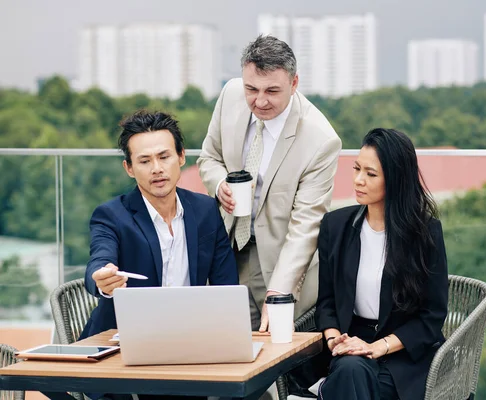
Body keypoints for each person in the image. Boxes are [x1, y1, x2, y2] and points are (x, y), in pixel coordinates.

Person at [198, 35, 341, 332]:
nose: (259, 101)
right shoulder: (230, 95)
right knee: (227, 348)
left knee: (277, 363)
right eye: (251, 88)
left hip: (280, 264)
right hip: (226, 251)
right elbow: (209, 157)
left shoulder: (321, 140)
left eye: (272, 91)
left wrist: (280, 291)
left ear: (294, 82)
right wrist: (220, 184)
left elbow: (306, 225)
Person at [81, 110, 238, 342]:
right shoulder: (111, 215)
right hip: (119, 342)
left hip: (189, 339)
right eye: (144, 161)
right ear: (129, 168)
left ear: (181, 157)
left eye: (164, 157)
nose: (157, 169)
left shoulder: (206, 210)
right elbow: (100, 259)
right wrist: (102, 278)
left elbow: (226, 288)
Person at [315, 128, 448, 400]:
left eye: (370, 174)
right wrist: (334, 340)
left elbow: (431, 317)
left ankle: (326, 390)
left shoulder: (425, 232)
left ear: (396, 179)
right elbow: (326, 301)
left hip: (404, 353)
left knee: (353, 380)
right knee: (352, 371)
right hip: (350, 345)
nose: (358, 180)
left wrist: (379, 347)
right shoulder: (336, 226)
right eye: (356, 169)